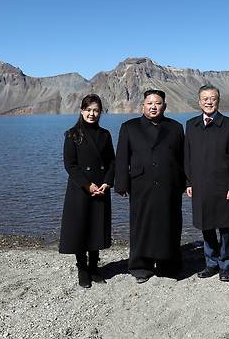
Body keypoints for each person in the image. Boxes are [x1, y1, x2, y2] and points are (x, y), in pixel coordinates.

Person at [115, 89, 185, 283]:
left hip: (169, 184)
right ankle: (140, 266)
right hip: (141, 184)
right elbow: (122, 157)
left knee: (169, 224)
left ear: (164, 106)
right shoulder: (129, 127)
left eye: (158, 103)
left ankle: (168, 265)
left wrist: (187, 182)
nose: (154, 106)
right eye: (150, 103)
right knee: (141, 224)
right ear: (143, 106)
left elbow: (183, 158)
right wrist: (121, 183)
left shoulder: (175, 127)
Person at [184, 84, 229, 282]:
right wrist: (188, 182)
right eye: (205, 98)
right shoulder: (191, 125)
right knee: (206, 225)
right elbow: (187, 156)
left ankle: (226, 265)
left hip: (223, 185)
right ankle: (211, 263)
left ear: (218, 101)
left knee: (225, 227)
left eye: (213, 98)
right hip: (200, 185)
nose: (209, 102)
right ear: (199, 101)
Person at [59, 94, 115, 288]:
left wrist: (107, 183)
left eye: (96, 110)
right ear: (82, 111)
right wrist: (87, 185)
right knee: (80, 228)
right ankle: (82, 268)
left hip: (100, 188)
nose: (92, 114)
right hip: (80, 190)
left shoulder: (105, 135)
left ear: (100, 113)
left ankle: (94, 267)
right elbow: (70, 165)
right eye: (88, 109)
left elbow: (111, 162)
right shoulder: (72, 134)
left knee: (96, 228)